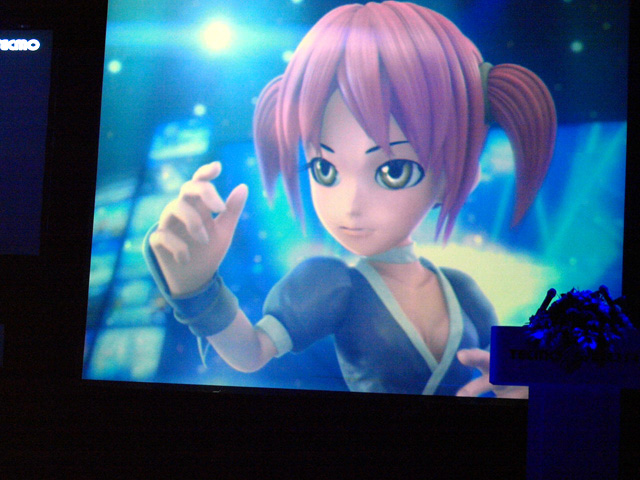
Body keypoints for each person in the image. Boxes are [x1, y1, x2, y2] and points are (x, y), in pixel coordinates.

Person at [144, 1, 555, 396]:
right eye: (324, 170)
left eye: (394, 171)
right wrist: (197, 290)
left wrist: (522, 387)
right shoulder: (331, 285)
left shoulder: (463, 291)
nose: (351, 205)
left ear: (452, 175)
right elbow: (250, 352)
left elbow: (510, 373)